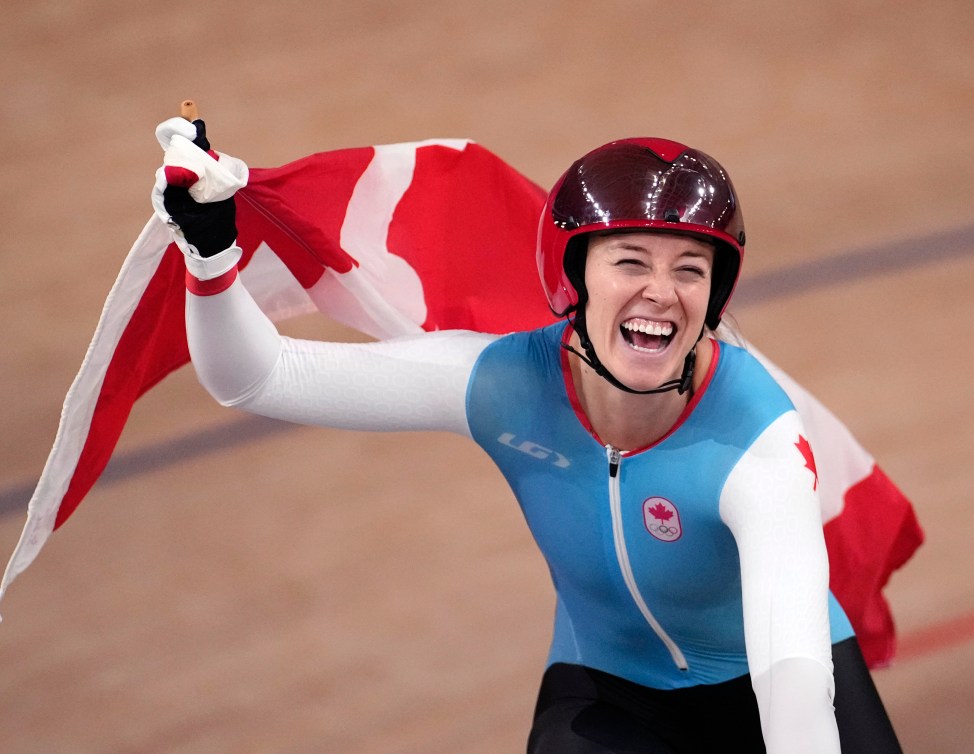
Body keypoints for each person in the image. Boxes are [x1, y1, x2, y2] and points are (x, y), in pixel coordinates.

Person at [155, 116, 901, 753]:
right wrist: (211, 257)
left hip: (775, 682)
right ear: (572, 278)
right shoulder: (505, 385)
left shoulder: (760, 443)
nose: (661, 291)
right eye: (630, 261)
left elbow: (795, 692)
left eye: (690, 270)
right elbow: (251, 378)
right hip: (612, 694)